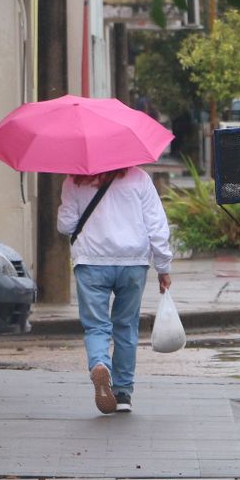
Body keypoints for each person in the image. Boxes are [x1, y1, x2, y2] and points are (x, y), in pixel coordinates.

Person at [57, 166, 173, 414]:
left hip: (91, 262)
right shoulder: (139, 178)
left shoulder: (73, 180)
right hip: (132, 262)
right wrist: (163, 267)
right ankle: (123, 394)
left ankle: (100, 363)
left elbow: (65, 226)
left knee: (96, 326)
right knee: (126, 325)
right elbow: (156, 225)